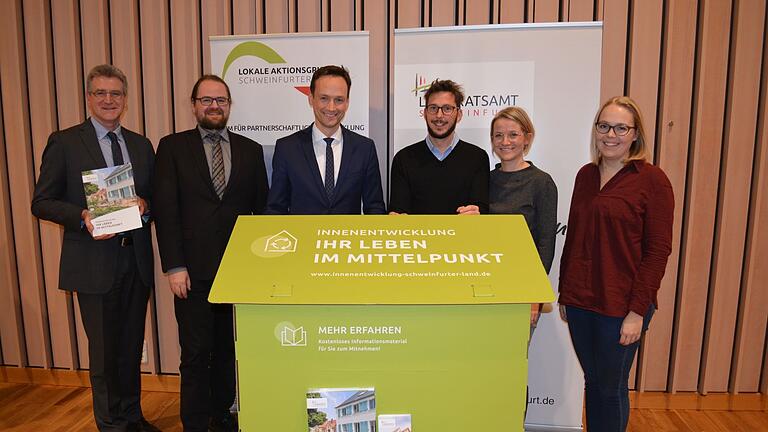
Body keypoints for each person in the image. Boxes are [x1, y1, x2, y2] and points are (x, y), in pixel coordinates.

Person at [31, 64, 159, 432]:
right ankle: (110, 424)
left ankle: (132, 417)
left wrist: (144, 205)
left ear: (125, 100)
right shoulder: (66, 141)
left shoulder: (140, 144)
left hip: (134, 258)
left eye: (116, 94)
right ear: (89, 98)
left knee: (131, 347)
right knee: (103, 353)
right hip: (93, 262)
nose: (108, 100)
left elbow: (151, 196)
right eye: (101, 93)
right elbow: (41, 202)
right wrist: (83, 215)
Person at [153, 75, 269, 432]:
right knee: (195, 353)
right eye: (206, 100)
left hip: (237, 272)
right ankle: (194, 421)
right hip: (192, 272)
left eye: (220, 100)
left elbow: (261, 214)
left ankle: (222, 415)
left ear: (229, 105)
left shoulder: (251, 150)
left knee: (227, 350)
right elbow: (165, 210)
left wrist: (258, 269)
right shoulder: (172, 147)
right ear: (194, 105)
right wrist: (174, 266)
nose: (214, 106)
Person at [558, 96, 674, 431]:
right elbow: (576, 237)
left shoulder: (652, 180)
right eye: (604, 126)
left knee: (610, 388)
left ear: (635, 134)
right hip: (581, 301)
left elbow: (658, 251)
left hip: (622, 306)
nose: (611, 134)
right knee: (593, 383)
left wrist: (637, 311)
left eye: (621, 127)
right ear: (595, 130)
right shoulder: (585, 175)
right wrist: (566, 293)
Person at [266, 65, 385, 214]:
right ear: (311, 99)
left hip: (347, 237)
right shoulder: (287, 148)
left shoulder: (364, 148)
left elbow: (374, 207)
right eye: (324, 98)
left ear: (347, 102)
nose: (331, 107)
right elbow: (276, 209)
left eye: (339, 100)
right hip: (303, 237)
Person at [488, 107, 557, 326]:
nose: (505, 141)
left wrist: (533, 296)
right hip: (485, 288)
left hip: (522, 289)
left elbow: (546, 243)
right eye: (498, 135)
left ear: (527, 138)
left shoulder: (541, 183)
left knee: (514, 358)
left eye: (513, 134)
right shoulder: (484, 180)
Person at [389, 79, 489, 215]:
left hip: (462, 236)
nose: (439, 115)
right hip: (420, 236)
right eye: (433, 108)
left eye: (447, 108)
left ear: (459, 115)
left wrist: (478, 213)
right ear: (425, 113)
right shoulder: (404, 158)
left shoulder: (478, 158)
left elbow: (482, 209)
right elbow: (397, 211)